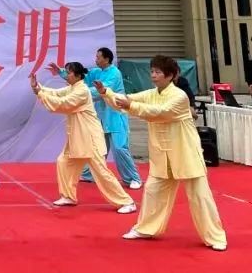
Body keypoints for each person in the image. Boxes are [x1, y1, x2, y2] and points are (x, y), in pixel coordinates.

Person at [99, 54, 227, 252]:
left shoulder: (179, 96)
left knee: (200, 196)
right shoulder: (152, 93)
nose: (153, 75)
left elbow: (159, 113)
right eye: (152, 71)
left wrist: (131, 105)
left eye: (158, 72)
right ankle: (146, 229)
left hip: (185, 153)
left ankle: (215, 237)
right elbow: (126, 100)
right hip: (162, 154)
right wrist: (106, 93)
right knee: (153, 192)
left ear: (170, 75)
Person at [31, 62, 137, 214]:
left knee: (101, 172)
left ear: (78, 75)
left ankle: (127, 202)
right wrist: (38, 88)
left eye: (69, 72)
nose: (66, 75)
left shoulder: (82, 91)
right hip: (78, 137)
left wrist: (40, 93)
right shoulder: (73, 88)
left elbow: (62, 103)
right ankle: (68, 196)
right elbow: (57, 93)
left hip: (90, 137)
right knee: (64, 162)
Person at [49, 46, 142, 189]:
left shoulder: (115, 73)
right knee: (97, 149)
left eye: (98, 57)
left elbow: (100, 91)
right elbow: (79, 78)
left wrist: (79, 94)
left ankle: (133, 178)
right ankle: (90, 174)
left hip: (116, 115)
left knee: (119, 148)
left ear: (107, 59)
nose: (96, 59)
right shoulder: (96, 72)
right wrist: (62, 72)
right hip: (101, 116)